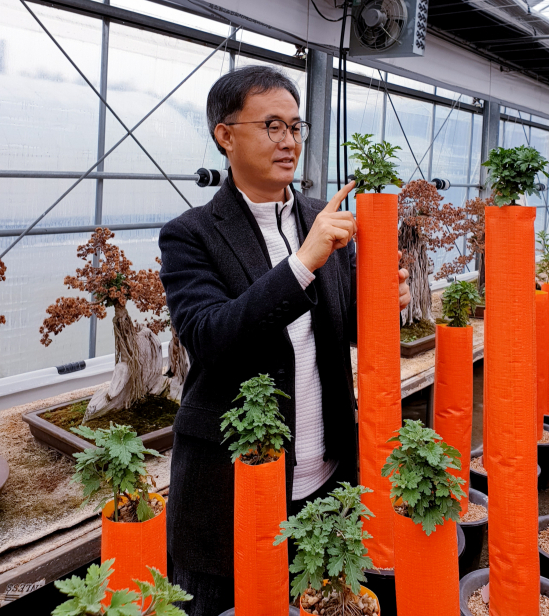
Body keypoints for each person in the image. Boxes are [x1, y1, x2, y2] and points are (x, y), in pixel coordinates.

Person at [159, 65, 410, 616]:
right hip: (231, 485)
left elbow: (339, 330)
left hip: (325, 480)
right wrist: (302, 264)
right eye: (272, 125)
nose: (289, 141)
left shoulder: (323, 218)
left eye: (296, 126)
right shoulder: (190, 234)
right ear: (225, 135)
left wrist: (380, 304)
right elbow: (210, 337)